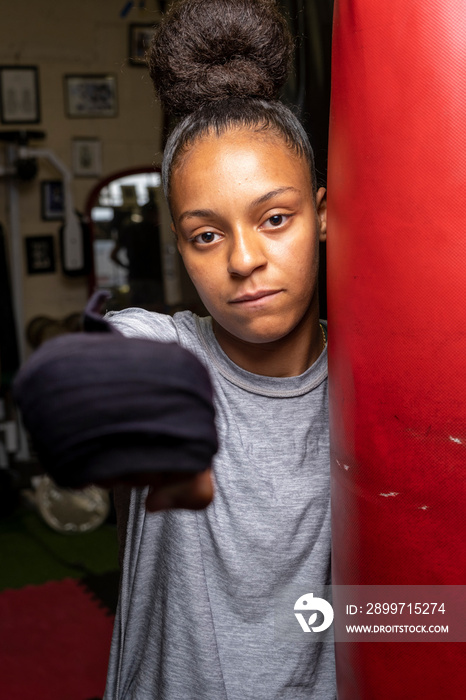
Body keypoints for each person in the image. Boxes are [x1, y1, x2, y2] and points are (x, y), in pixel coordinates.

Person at [104, 0, 335, 697]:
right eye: (207, 234)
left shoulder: (382, 378)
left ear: (322, 216)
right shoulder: (162, 356)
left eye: (273, 219)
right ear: (181, 247)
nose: (244, 260)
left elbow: (425, 614)